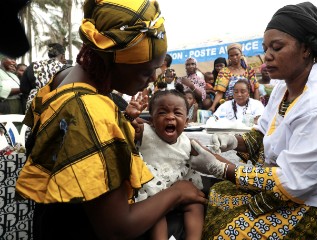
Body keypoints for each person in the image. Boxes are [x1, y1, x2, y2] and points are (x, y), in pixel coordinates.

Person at [15, 1, 206, 239]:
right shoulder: (91, 111)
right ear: (113, 61)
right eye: (146, 71)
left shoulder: (64, 78)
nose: (152, 78)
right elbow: (117, 229)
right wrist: (177, 193)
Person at [189, 2, 317, 239]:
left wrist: (220, 167)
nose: (267, 55)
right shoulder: (283, 87)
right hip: (297, 184)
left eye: (277, 47)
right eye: (265, 47)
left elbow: (294, 181)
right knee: (220, 194)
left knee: (228, 233)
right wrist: (230, 141)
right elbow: (262, 133)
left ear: (307, 49)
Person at [131, 88, 204, 240]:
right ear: (151, 119)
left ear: (186, 121)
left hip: (179, 186)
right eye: (162, 112)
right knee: (156, 215)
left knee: (196, 205)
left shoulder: (186, 141)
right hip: (154, 193)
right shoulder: (144, 132)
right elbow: (127, 129)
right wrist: (130, 117)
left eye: (177, 113)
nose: (170, 117)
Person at [209, 43, 259, 113]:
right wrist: (213, 106)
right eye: (231, 55)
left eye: (236, 54)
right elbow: (220, 92)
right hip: (230, 107)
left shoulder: (249, 70)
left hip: (247, 106)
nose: (234, 57)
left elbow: (256, 88)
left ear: (241, 54)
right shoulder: (224, 71)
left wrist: (257, 105)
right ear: (228, 57)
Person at [20, 43, 66, 113]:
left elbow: (24, 88)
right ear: (62, 56)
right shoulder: (65, 68)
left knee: (35, 124)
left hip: (34, 105)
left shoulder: (33, 65)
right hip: (56, 103)